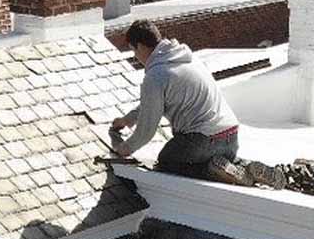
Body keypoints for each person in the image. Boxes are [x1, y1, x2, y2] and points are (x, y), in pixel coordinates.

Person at [109, 20, 284, 188]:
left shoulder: (156, 75)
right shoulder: (186, 58)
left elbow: (147, 129)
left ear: (140, 46)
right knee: (218, 160)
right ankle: (245, 168)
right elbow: (151, 104)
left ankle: (210, 170)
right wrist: (127, 120)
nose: (136, 57)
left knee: (167, 161)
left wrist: (125, 148)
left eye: (134, 51)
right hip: (231, 138)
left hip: (201, 141)